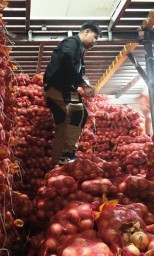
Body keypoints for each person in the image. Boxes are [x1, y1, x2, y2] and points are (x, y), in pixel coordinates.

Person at [43, 21, 101, 165]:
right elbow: (65, 61)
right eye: (95, 37)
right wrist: (83, 84)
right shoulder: (72, 42)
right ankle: (69, 153)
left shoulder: (79, 50)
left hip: (55, 88)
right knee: (79, 111)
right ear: (86, 31)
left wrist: (82, 82)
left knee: (63, 125)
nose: (95, 42)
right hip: (59, 86)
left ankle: (58, 164)